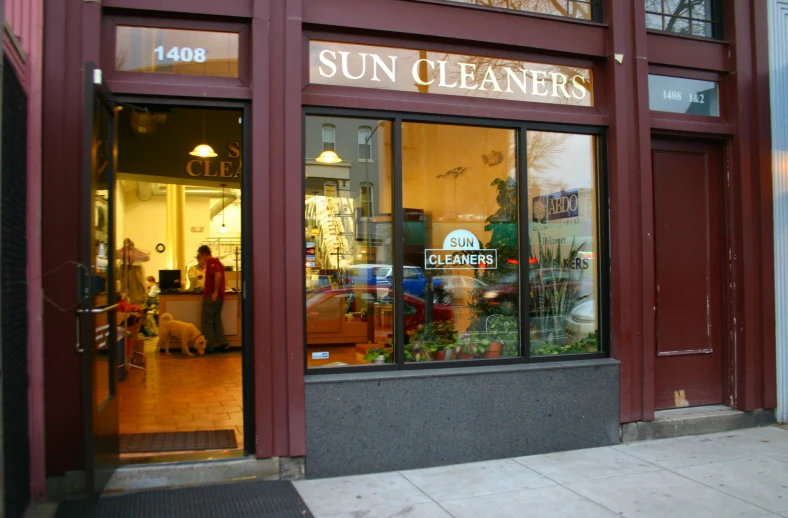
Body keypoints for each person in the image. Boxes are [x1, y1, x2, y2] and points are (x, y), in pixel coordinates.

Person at [197, 245, 229, 353]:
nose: (201, 259)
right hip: (219, 296)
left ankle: (209, 346)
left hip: (211, 295)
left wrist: (214, 291)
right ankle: (223, 343)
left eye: (201, 256)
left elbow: (218, 275)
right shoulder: (218, 262)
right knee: (216, 320)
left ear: (203, 254)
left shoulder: (211, 262)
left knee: (207, 321)